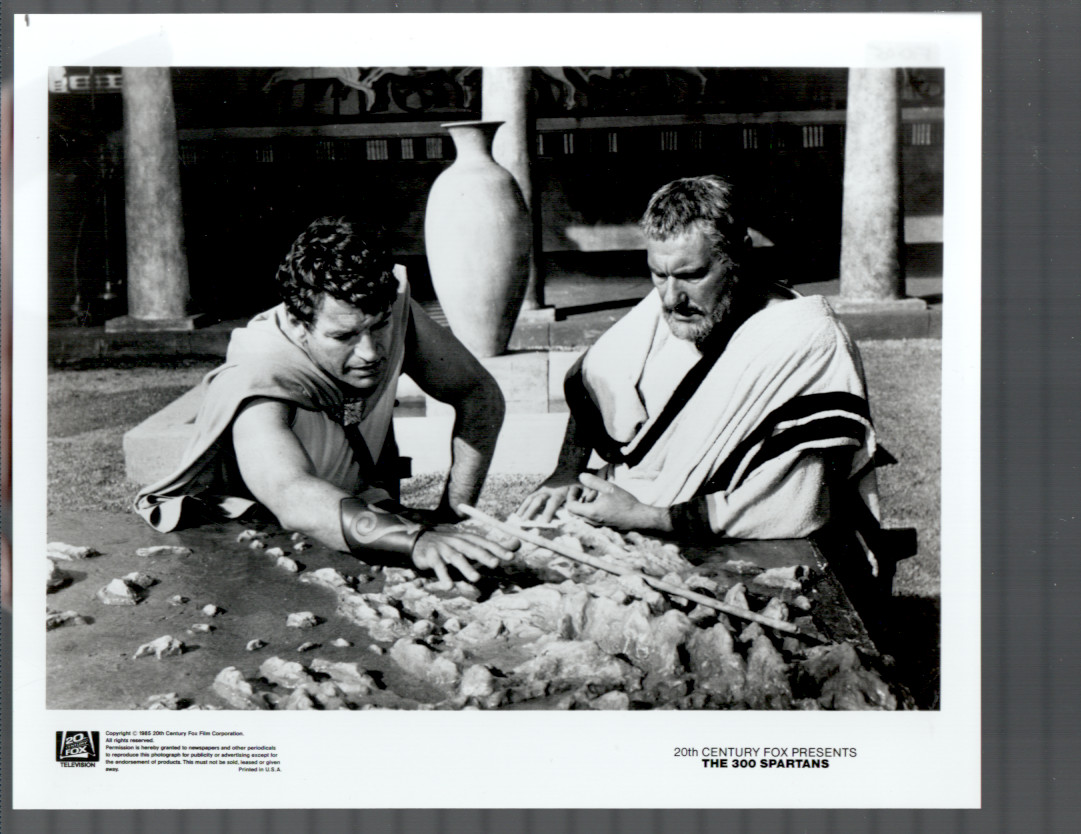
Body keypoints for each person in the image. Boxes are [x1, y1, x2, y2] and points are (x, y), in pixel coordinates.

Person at [518, 175, 891, 576]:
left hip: (734, 538)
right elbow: (594, 376)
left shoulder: (807, 340)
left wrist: (646, 516)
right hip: (625, 504)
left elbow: (794, 505)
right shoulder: (673, 303)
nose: (670, 298)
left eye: (693, 276)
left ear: (740, 254)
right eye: (658, 275)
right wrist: (566, 471)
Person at [136, 216, 515, 586]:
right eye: (343, 337)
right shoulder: (261, 367)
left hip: (354, 510)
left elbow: (478, 394)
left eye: (379, 327)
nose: (370, 352)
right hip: (251, 533)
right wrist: (415, 541)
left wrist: (451, 515)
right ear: (298, 325)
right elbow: (289, 493)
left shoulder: (390, 308)